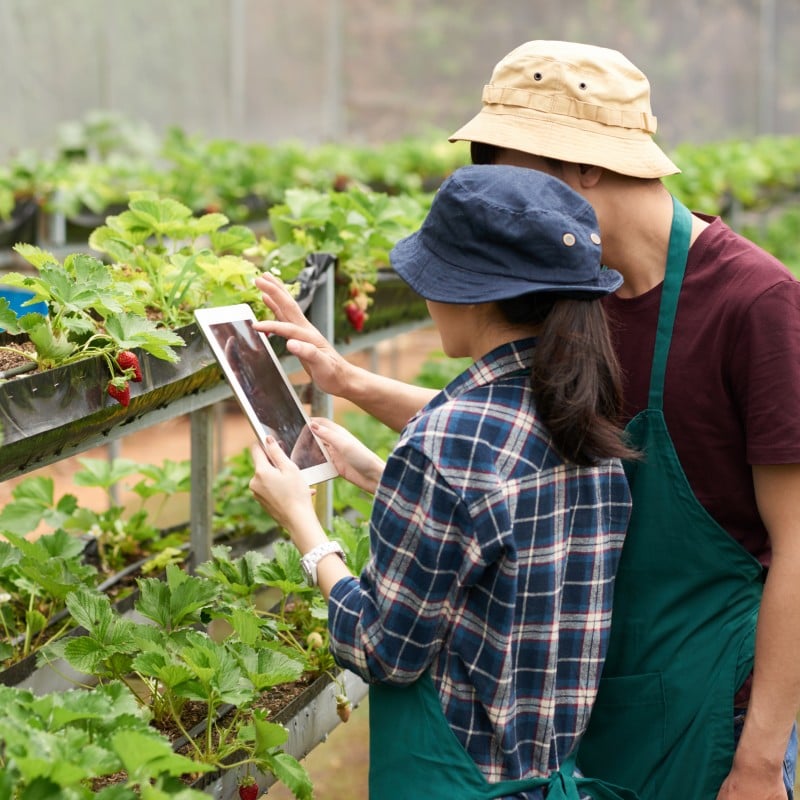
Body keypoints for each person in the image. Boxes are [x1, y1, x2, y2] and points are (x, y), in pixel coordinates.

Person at [252, 41, 800, 800]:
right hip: (574, 705)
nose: (498, 197)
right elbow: (520, 442)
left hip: (709, 707)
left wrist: (761, 759)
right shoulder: (574, 293)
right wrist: (348, 383)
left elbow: (799, 539)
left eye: (505, 170)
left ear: (584, 167)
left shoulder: (753, 303)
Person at [249, 164, 639, 799]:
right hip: (551, 777)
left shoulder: (446, 442)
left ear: (475, 293)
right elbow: (498, 540)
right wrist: (378, 471)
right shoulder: (583, 418)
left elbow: (382, 649)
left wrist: (305, 526)